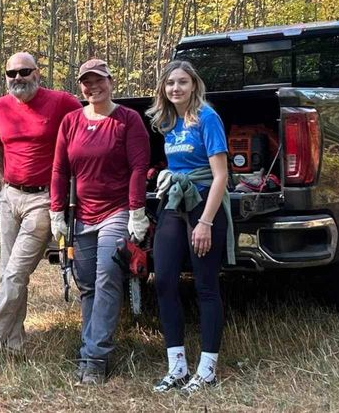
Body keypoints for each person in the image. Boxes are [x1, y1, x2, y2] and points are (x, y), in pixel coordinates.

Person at [0, 52, 81, 368]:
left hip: (43, 200)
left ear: (37, 73)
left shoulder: (62, 103)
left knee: (15, 272)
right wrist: (5, 182)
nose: (18, 78)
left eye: (24, 71)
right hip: (10, 197)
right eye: (11, 73)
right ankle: (15, 344)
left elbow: (89, 124)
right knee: (7, 274)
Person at [49, 58, 151, 385]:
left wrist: (137, 212)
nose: (93, 87)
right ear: (80, 85)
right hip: (81, 213)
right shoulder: (70, 122)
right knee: (87, 284)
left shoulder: (128, 120)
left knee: (108, 276)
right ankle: (88, 347)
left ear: (111, 81)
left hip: (117, 210)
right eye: (86, 82)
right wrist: (56, 212)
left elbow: (138, 168)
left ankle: (95, 358)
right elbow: (60, 170)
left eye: (99, 80)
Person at [145, 59, 235, 394]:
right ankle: (177, 366)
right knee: (165, 281)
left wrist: (206, 223)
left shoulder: (207, 118)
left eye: (182, 82)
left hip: (203, 204)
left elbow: (221, 176)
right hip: (175, 202)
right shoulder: (169, 122)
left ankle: (208, 369)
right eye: (170, 84)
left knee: (205, 285)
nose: (176, 89)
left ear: (194, 85)